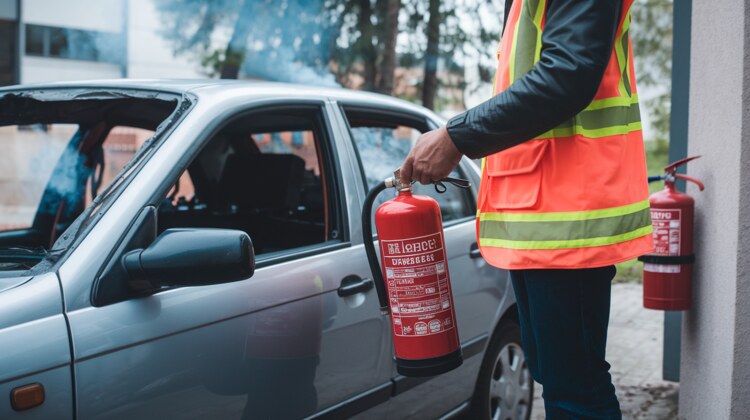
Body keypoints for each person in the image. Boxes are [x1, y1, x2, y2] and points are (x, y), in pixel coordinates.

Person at [399, 0, 653, 418]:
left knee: (577, 390)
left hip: (570, 221)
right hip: (543, 220)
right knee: (562, 381)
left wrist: (456, 136)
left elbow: (568, 73)